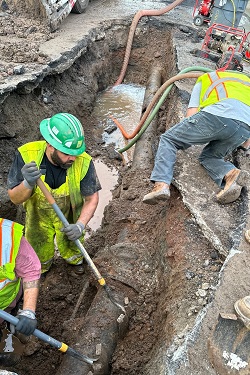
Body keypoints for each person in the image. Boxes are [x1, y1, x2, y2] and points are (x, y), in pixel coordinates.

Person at [7, 113, 101, 276]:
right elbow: (14, 198)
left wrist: (80, 225)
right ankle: (40, 269)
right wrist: (27, 183)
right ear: (50, 144)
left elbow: (92, 198)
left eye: (75, 153)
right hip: (38, 217)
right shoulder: (27, 155)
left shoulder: (83, 161)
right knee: (38, 248)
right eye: (66, 153)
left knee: (73, 245)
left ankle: (75, 261)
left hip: (70, 215)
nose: (72, 158)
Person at [143, 70, 250, 205]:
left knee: (169, 139)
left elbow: (190, 115)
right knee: (210, 157)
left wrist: (187, 136)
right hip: (245, 128)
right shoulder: (247, 83)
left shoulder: (207, 78)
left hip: (216, 116)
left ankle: (161, 185)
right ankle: (230, 173)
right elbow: (246, 145)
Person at [0, 218, 41, 366]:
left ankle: (10, 329)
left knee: (11, 320)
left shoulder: (7, 237)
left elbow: (31, 270)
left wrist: (29, 311)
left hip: (7, 301)